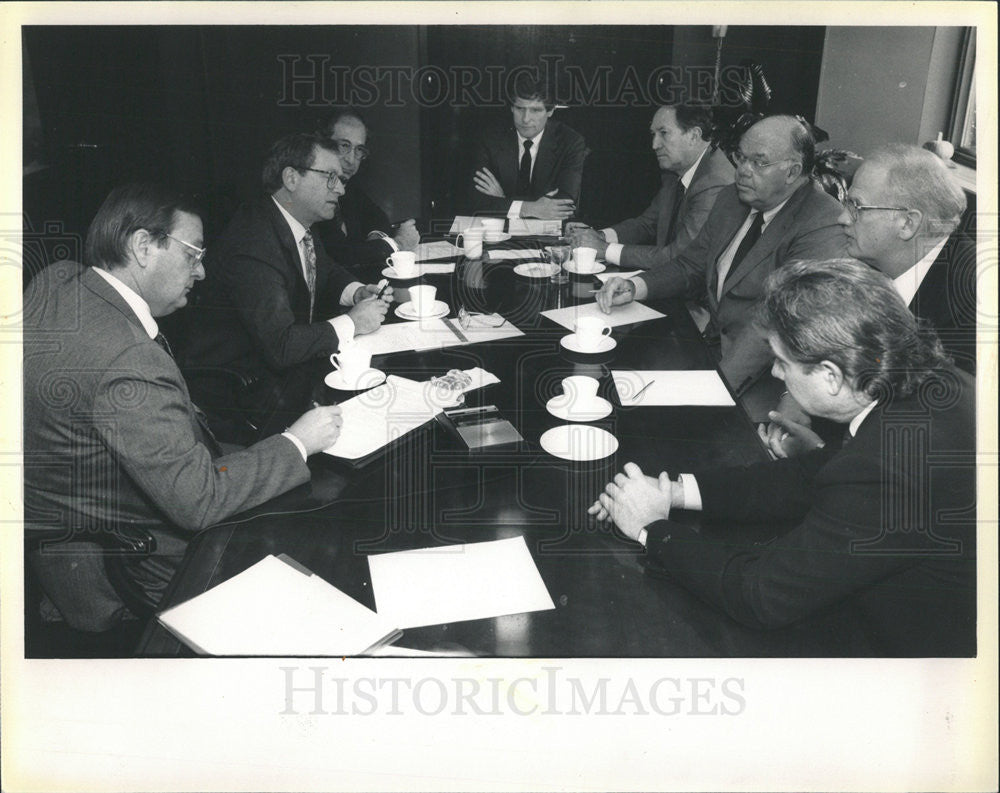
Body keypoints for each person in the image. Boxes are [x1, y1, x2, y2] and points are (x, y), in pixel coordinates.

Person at [590, 259, 975, 656]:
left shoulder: (887, 465)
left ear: (831, 375)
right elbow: (815, 474)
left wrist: (650, 526)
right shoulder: (931, 380)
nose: (775, 374)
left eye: (783, 362)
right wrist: (674, 491)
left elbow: (761, 597)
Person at [23, 183, 345, 632]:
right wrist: (298, 441)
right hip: (138, 559)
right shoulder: (127, 360)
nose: (202, 273)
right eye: (193, 255)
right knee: (326, 557)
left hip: (79, 517)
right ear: (142, 246)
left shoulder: (57, 278)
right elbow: (200, 501)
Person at [596, 115, 848, 400]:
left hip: (768, 379)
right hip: (709, 349)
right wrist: (636, 286)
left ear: (792, 172)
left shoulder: (821, 220)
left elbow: (779, 322)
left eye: (758, 162)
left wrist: (712, 389)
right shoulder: (732, 199)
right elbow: (690, 265)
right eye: (741, 157)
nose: (742, 170)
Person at [762, 143, 975, 458]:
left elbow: (918, 439)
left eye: (856, 206)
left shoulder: (973, 304)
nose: (842, 219)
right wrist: (795, 399)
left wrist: (823, 454)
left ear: (907, 223)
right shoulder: (874, 257)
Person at [181, 133, 392, 437]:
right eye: (330, 177)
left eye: (341, 179)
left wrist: (356, 291)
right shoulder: (253, 242)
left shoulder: (296, 222)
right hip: (244, 395)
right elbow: (280, 345)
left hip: (286, 372)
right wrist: (352, 323)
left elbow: (325, 269)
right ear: (292, 178)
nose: (342, 188)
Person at [565, 104, 734, 269]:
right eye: (653, 134)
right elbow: (648, 224)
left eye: (664, 133)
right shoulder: (675, 173)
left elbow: (680, 257)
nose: (654, 145)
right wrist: (600, 236)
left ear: (694, 136)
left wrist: (604, 249)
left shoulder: (714, 182)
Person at [312, 107, 420, 273]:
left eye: (359, 150)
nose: (351, 160)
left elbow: (377, 217)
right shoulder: (312, 191)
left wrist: (375, 237)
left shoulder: (349, 186)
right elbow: (340, 258)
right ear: (322, 144)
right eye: (344, 146)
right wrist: (399, 244)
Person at [469, 74, 588, 221]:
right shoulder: (490, 139)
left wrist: (505, 200)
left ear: (550, 111)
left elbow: (564, 205)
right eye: (520, 108)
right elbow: (475, 201)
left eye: (535, 110)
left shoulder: (571, 142)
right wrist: (529, 208)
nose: (525, 119)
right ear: (512, 108)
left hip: (546, 236)